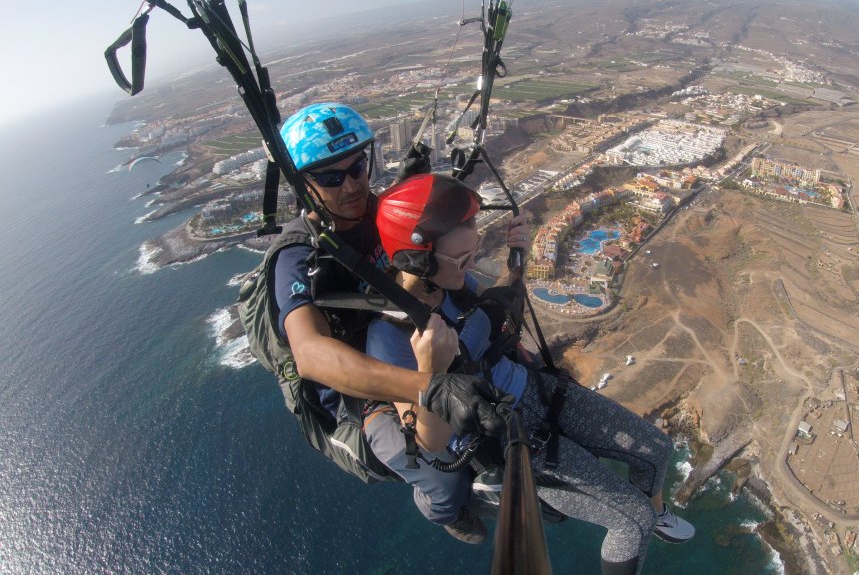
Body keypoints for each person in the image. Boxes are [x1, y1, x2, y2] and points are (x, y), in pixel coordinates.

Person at [366, 173, 696, 575]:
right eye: (462, 259)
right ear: (417, 260)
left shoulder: (450, 282)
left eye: (473, 252)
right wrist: (431, 371)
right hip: (509, 435)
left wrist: (516, 261)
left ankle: (657, 512)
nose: (470, 265)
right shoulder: (390, 336)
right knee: (632, 522)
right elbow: (430, 441)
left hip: (537, 390)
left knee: (657, 448)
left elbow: (494, 314)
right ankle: (648, 518)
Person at [269, 102, 507, 543]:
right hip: (359, 395)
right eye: (330, 178)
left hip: (404, 340)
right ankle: (443, 511)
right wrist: (429, 388)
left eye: (357, 168)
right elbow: (310, 354)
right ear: (304, 185)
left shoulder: (373, 212)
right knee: (438, 472)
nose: (351, 185)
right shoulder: (297, 258)